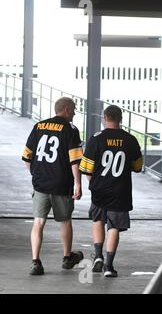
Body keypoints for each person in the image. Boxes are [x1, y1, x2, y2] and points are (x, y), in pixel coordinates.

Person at [22, 97, 84, 275]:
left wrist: (36, 174)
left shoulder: (39, 126)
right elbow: (75, 161)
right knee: (65, 220)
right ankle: (67, 258)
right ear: (65, 109)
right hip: (62, 184)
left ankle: (36, 262)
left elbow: (27, 157)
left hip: (40, 184)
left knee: (38, 222)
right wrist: (78, 184)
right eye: (72, 110)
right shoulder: (70, 130)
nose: (74, 114)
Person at [80, 105, 143, 278]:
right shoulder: (130, 139)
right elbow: (138, 167)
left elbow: (85, 168)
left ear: (104, 117)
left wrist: (94, 183)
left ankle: (98, 256)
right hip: (120, 190)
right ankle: (109, 265)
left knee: (98, 220)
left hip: (99, 189)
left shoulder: (96, 138)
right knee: (114, 226)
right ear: (120, 119)